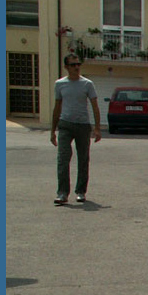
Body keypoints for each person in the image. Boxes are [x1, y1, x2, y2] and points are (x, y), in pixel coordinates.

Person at [50, 53, 102, 205]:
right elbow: (57, 107)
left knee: (83, 159)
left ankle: (80, 191)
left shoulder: (87, 84)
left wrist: (97, 128)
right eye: (73, 65)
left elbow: (95, 106)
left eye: (78, 64)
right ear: (66, 67)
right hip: (65, 125)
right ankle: (62, 193)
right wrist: (52, 131)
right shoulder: (60, 84)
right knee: (63, 159)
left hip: (83, 126)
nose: (76, 67)